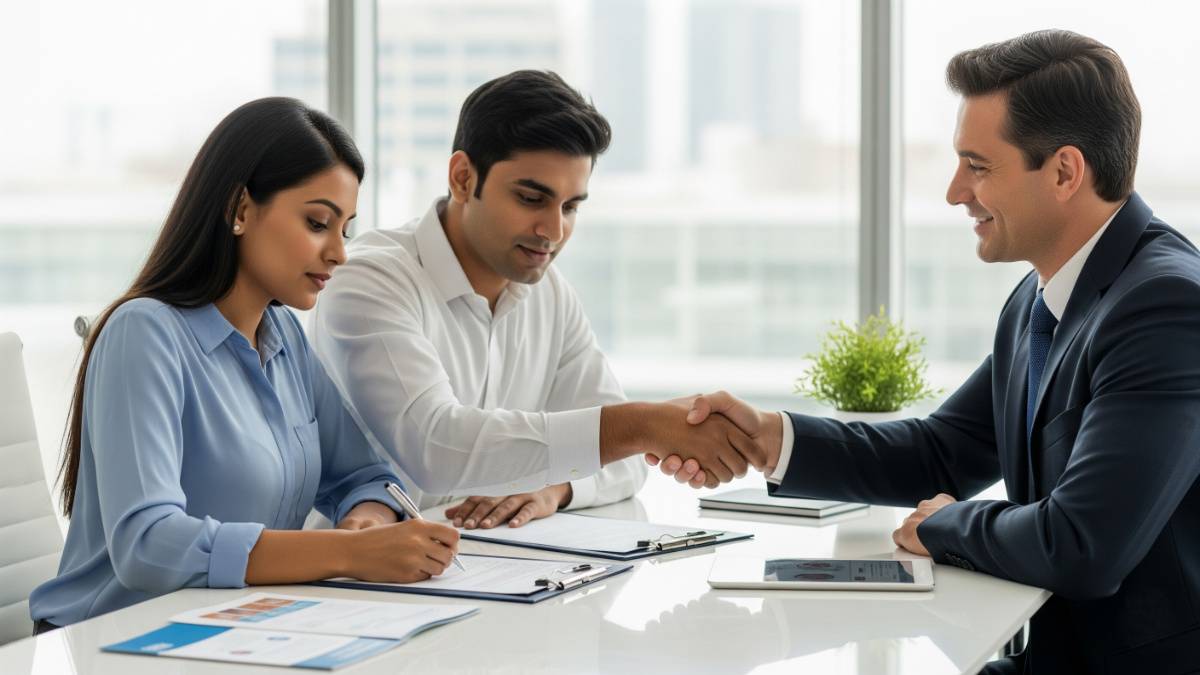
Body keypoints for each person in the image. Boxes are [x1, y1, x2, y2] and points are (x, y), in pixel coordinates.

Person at [667, 30, 1200, 674]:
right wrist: (767, 438)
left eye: (977, 166)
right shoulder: (1039, 300)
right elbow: (941, 451)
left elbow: (1082, 545)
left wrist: (946, 525)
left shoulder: (1166, 306)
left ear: (1064, 171)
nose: (954, 191)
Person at [29, 98, 460, 632]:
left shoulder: (285, 342)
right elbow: (148, 543)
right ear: (239, 209)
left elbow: (366, 475)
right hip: (114, 639)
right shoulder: (143, 333)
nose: (338, 254)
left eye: (345, 229)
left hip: (238, 630)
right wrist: (346, 555)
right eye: (317, 222)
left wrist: (362, 525)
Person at [310, 70, 761, 530]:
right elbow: (437, 447)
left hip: (494, 567)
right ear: (463, 178)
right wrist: (642, 424)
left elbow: (626, 463)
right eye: (531, 198)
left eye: (570, 207)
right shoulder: (370, 278)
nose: (555, 231)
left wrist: (554, 487)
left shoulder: (549, 292)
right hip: (361, 580)